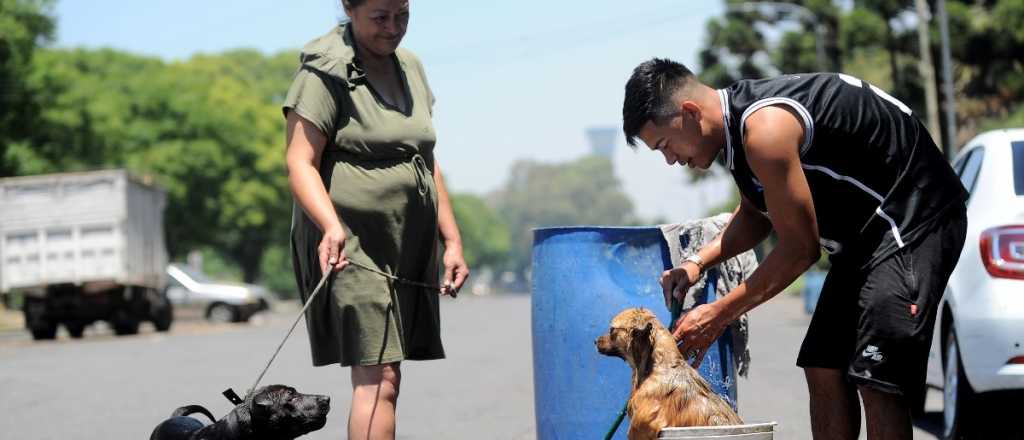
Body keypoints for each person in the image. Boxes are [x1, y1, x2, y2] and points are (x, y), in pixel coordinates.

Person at [622, 58, 967, 440]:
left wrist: (719, 314)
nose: (671, 160)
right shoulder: (738, 131)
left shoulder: (764, 131)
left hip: (915, 220)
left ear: (688, 112)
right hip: (864, 241)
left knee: (875, 375)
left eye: (665, 145)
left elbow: (801, 250)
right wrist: (696, 263)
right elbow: (757, 215)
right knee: (823, 365)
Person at [283, 1, 469, 438]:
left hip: (407, 242)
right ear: (350, 9)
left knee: (391, 376)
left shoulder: (411, 65)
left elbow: (424, 158)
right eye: (379, 18)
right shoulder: (324, 72)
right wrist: (331, 226)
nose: (393, 28)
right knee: (378, 377)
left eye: (402, 15)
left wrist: (453, 240)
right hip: (351, 244)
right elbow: (299, 162)